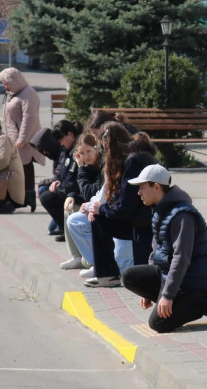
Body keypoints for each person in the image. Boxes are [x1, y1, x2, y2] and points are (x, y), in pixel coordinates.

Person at [119, 163, 207, 332]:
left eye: (142, 187)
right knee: (129, 276)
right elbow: (156, 251)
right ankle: (174, 303)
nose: (139, 192)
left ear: (156, 187)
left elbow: (181, 257)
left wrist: (167, 295)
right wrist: (148, 292)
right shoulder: (160, 210)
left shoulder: (182, 215)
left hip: (192, 283)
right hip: (171, 275)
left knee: (158, 324)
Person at [83, 122, 156, 288]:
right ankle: (107, 275)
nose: (104, 154)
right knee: (98, 219)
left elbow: (124, 205)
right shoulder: (132, 158)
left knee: (99, 217)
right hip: (140, 217)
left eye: (103, 148)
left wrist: (101, 208)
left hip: (144, 221)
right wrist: (100, 209)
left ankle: (107, 274)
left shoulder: (133, 162)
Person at [0, 67, 42, 212]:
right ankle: (23, 198)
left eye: (7, 83)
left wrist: (23, 138)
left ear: (15, 81)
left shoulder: (29, 93)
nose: (5, 86)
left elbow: (29, 118)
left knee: (23, 168)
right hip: (13, 139)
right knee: (20, 169)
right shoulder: (12, 93)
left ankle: (23, 198)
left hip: (22, 140)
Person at [59, 133, 104, 271]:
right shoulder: (85, 165)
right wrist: (72, 195)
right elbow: (74, 185)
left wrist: (82, 169)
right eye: (82, 153)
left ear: (97, 149)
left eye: (89, 151)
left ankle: (90, 259)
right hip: (92, 204)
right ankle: (76, 256)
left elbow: (90, 192)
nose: (86, 156)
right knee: (69, 208)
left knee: (74, 215)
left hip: (101, 207)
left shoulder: (101, 166)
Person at [39, 119, 82, 240]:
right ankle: (65, 229)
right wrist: (58, 182)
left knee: (47, 197)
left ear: (70, 134)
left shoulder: (77, 150)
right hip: (66, 188)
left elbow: (73, 180)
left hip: (77, 192)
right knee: (46, 193)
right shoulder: (67, 150)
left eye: (62, 139)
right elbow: (65, 174)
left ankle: (69, 231)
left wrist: (59, 188)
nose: (61, 143)